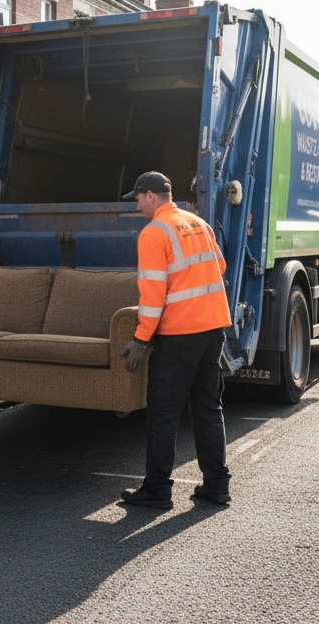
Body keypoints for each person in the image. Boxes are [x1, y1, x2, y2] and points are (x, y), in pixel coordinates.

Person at [117, 172, 233, 510]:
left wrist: (141, 339)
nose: (137, 205)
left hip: (180, 334)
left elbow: (153, 294)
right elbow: (219, 266)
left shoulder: (154, 232)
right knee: (208, 407)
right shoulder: (198, 223)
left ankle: (156, 490)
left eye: (138, 198)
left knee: (164, 413)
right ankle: (216, 485)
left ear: (151, 196)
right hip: (213, 328)